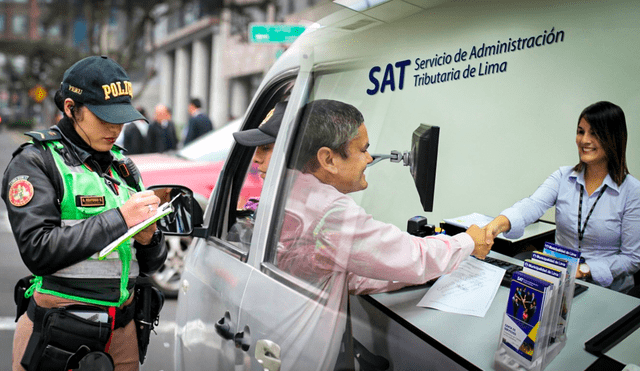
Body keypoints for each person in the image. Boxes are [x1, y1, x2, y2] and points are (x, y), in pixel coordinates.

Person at [2, 55, 168, 371]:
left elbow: (149, 265)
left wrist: (150, 239)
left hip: (123, 333)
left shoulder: (123, 165)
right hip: (59, 333)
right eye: (103, 118)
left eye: (121, 118)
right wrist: (121, 218)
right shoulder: (36, 162)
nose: (115, 129)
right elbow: (38, 250)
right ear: (69, 108)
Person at [483, 101, 640, 293]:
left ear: (613, 138)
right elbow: (532, 205)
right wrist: (497, 225)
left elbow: (632, 258)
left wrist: (583, 270)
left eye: (595, 134)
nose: (584, 140)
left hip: (607, 289)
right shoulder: (563, 177)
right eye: (581, 131)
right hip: (560, 282)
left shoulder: (632, 191)